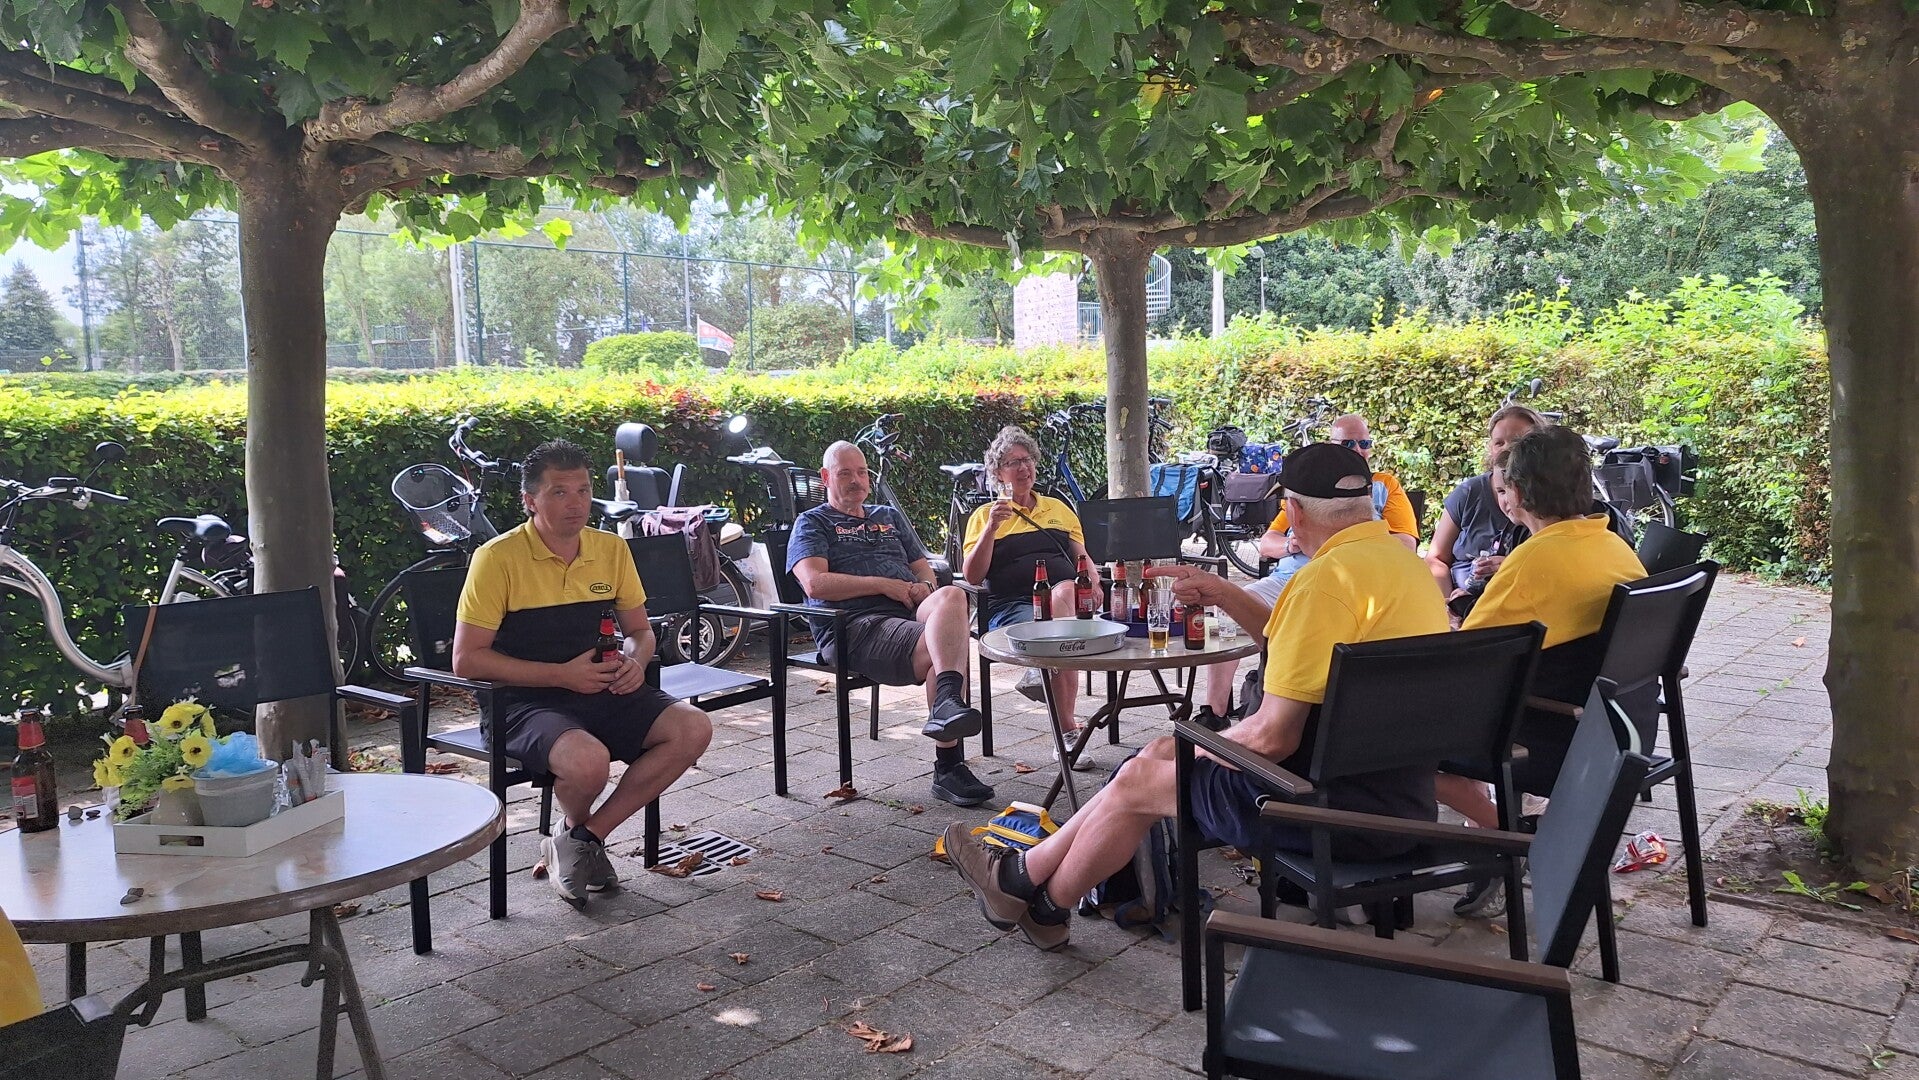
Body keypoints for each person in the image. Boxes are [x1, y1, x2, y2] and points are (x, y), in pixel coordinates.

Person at [943, 444, 1448, 949]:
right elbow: (1291, 640)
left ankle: (1035, 898)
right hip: (1398, 797)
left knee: (1141, 775)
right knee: (1157, 753)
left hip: (1317, 808)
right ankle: (1027, 889)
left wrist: (1195, 749)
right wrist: (1224, 592)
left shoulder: (1323, 582)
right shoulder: (1406, 568)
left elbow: (1273, 737)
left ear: (1293, 510)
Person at [453, 439, 713, 908]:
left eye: (583, 490)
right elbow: (467, 660)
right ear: (530, 500)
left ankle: (582, 839)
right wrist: (561, 675)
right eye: (559, 492)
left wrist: (635, 661)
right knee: (587, 761)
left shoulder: (610, 548)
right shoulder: (497, 558)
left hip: (601, 687)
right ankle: (579, 842)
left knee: (693, 727)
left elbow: (640, 631)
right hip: (522, 701)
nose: (575, 503)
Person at [1437, 425, 1646, 916]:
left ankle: (1507, 837)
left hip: (1551, 739)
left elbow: (1466, 658)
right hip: (1617, 728)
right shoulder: (1613, 546)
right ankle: (1499, 840)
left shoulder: (1533, 560)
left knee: (1391, 742)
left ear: (1517, 493)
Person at [787, 441, 996, 806]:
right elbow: (815, 584)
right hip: (854, 625)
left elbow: (924, 568)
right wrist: (884, 585)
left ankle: (947, 702)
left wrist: (924, 588)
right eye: (845, 473)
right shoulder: (813, 522)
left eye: (862, 472)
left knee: (952, 595)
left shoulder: (888, 515)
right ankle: (949, 765)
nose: (857, 480)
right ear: (825, 478)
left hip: (906, 614)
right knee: (945, 648)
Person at [1193, 413, 1419, 727]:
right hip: (1292, 581)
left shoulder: (1381, 487)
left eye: (1364, 443)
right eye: (1348, 444)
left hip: (1299, 741)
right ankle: (1215, 713)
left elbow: (1272, 738)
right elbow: (1269, 542)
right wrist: (1291, 546)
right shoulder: (1418, 581)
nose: (1357, 450)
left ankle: (1245, 704)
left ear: (1296, 513)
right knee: (1230, 612)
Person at [960, 425, 1097, 770]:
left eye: (1028, 460)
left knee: (1065, 594)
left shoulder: (1058, 509)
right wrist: (991, 529)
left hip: (1063, 600)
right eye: (1013, 462)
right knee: (1063, 633)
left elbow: (1081, 557)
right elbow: (973, 576)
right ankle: (1067, 734)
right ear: (997, 473)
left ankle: (1043, 670)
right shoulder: (983, 517)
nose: (1023, 468)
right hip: (1012, 608)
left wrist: (1094, 584)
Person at [1428, 405, 1543, 600]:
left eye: (1518, 441)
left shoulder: (1549, 500)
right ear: (1490, 448)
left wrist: (1512, 568)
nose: (1507, 449)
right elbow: (1436, 558)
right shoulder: (1469, 493)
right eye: (1499, 443)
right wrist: (1447, 605)